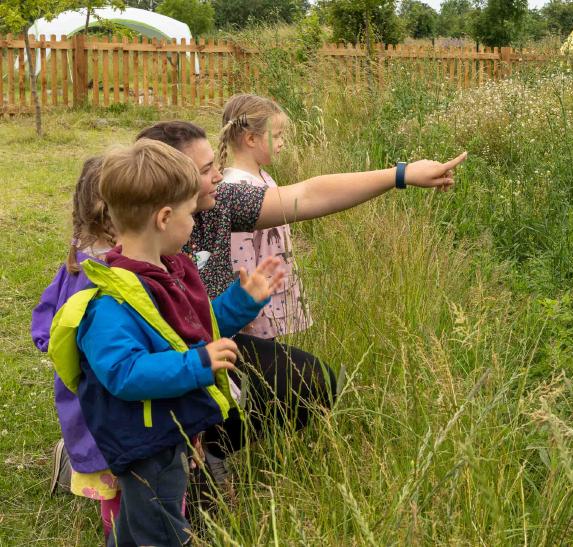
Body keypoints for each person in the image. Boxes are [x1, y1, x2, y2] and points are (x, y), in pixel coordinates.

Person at [134, 120, 466, 476]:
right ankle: (105, 461)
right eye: (205, 169)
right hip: (157, 371)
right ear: (168, 182)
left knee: (315, 381)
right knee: (187, 518)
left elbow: (305, 196)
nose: (218, 175)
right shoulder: (135, 241)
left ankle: (214, 451)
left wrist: (400, 175)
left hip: (211, 342)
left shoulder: (218, 204)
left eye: (214, 163)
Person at [47, 140, 285, 546]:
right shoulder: (111, 302)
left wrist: (241, 304)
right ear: (164, 218)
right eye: (190, 214)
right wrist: (198, 364)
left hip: (165, 430)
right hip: (144, 443)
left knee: (137, 529)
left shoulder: (165, 270)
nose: (194, 224)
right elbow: (125, 373)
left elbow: (192, 325)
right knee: (162, 531)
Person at [31, 157, 123, 540]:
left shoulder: (82, 257)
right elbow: (49, 327)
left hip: (96, 393)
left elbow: (43, 323)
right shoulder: (98, 269)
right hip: (102, 395)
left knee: (118, 477)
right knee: (116, 483)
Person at [218, 94, 311, 340]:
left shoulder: (264, 177)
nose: (282, 142)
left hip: (271, 289)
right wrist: (246, 306)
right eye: (277, 135)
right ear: (250, 138)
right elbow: (240, 256)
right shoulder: (236, 188)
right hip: (256, 302)